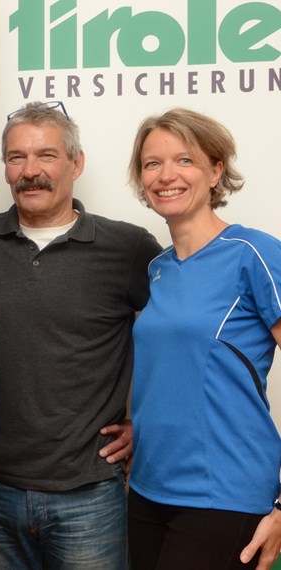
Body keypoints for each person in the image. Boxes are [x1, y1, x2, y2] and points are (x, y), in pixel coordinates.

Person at [0, 101, 161, 569]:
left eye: (46, 156)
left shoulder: (128, 248)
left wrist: (145, 426)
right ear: (4, 167)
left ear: (76, 163)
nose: (30, 171)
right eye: (16, 158)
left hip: (90, 496)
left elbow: (178, 343)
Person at [126, 109, 281, 570]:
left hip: (225, 495)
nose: (166, 175)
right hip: (148, 490)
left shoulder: (254, 254)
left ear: (216, 171)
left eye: (184, 161)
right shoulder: (158, 268)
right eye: (152, 164)